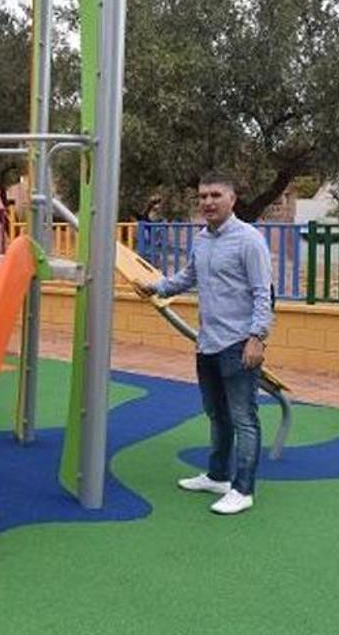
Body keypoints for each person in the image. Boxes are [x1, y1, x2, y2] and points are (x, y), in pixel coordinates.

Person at [136, 172, 274, 515]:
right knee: (217, 414)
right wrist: (159, 288)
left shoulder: (249, 240)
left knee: (244, 417)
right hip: (207, 342)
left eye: (215, 195)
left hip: (238, 343)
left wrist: (257, 338)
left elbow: (263, 294)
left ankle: (243, 490)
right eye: (203, 196)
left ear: (232, 199)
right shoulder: (202, 238)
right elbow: (190, 276)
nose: (208, 202)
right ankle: (217, 475)